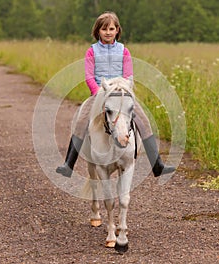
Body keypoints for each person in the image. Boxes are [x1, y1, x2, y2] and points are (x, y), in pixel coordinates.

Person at [56, 11, 175, 178]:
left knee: (145, 122)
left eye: (111, 28)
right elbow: (89, 76)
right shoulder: (91, 51)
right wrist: (99, 93)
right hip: (99, 94)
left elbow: (128, 76)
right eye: (104, 29)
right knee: (81, 121)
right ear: (98, 31)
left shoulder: (124, 51)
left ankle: (157, 165)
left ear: (117, 30)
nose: (108, 32)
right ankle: (68, 164)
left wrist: (124, 90)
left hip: (121, 94)